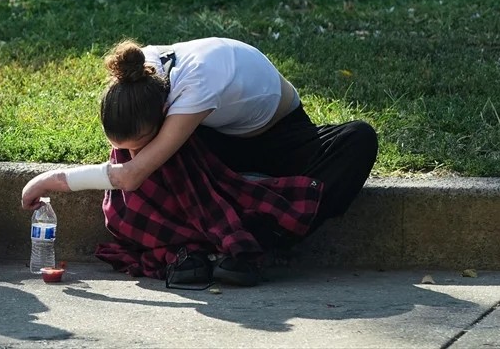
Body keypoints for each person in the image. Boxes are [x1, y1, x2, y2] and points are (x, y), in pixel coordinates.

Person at [20, 37, 377, 287]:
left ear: (165, 110)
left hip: (281, 139)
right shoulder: (134, 79)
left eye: (136, 145)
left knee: (359, 138)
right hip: (218, 140)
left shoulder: (193, 88)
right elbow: (129, 162)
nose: (128, 153)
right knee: (156, 152)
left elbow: (130, 176)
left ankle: (250, 245)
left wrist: (50, 179)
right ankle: (194, 248)